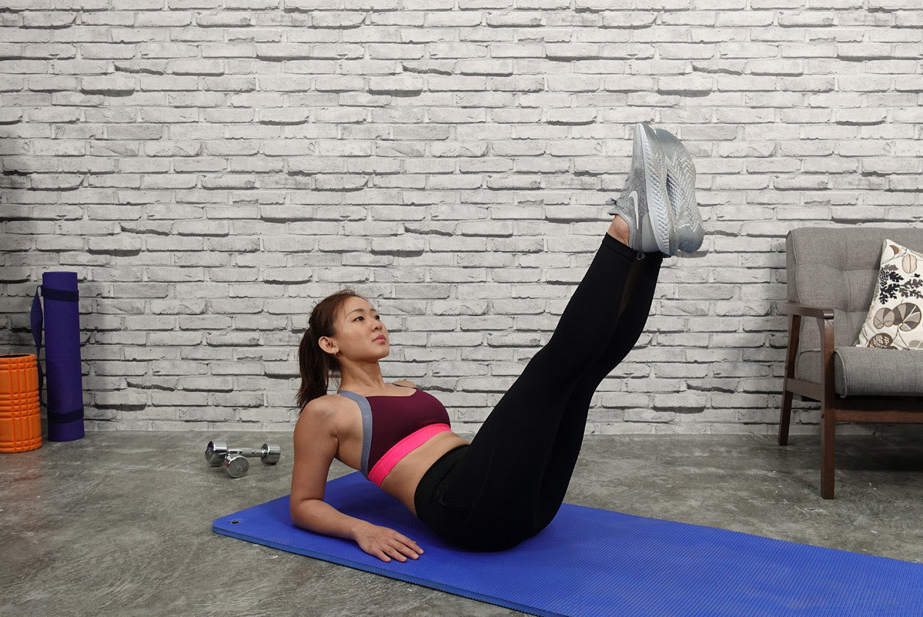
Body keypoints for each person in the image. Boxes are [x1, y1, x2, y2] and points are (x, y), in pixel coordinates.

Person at [290, 123, 705, 561]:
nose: (376, 323)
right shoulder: (326, 411)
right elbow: (303, 504)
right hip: (467, 511)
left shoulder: (404, 388)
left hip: (528, 506)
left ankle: (651, 250)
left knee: (585, 377)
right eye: (359, 319)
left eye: (375, 314)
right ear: (329, 345)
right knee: (552, 371)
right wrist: (362, 530)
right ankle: (625, 230)